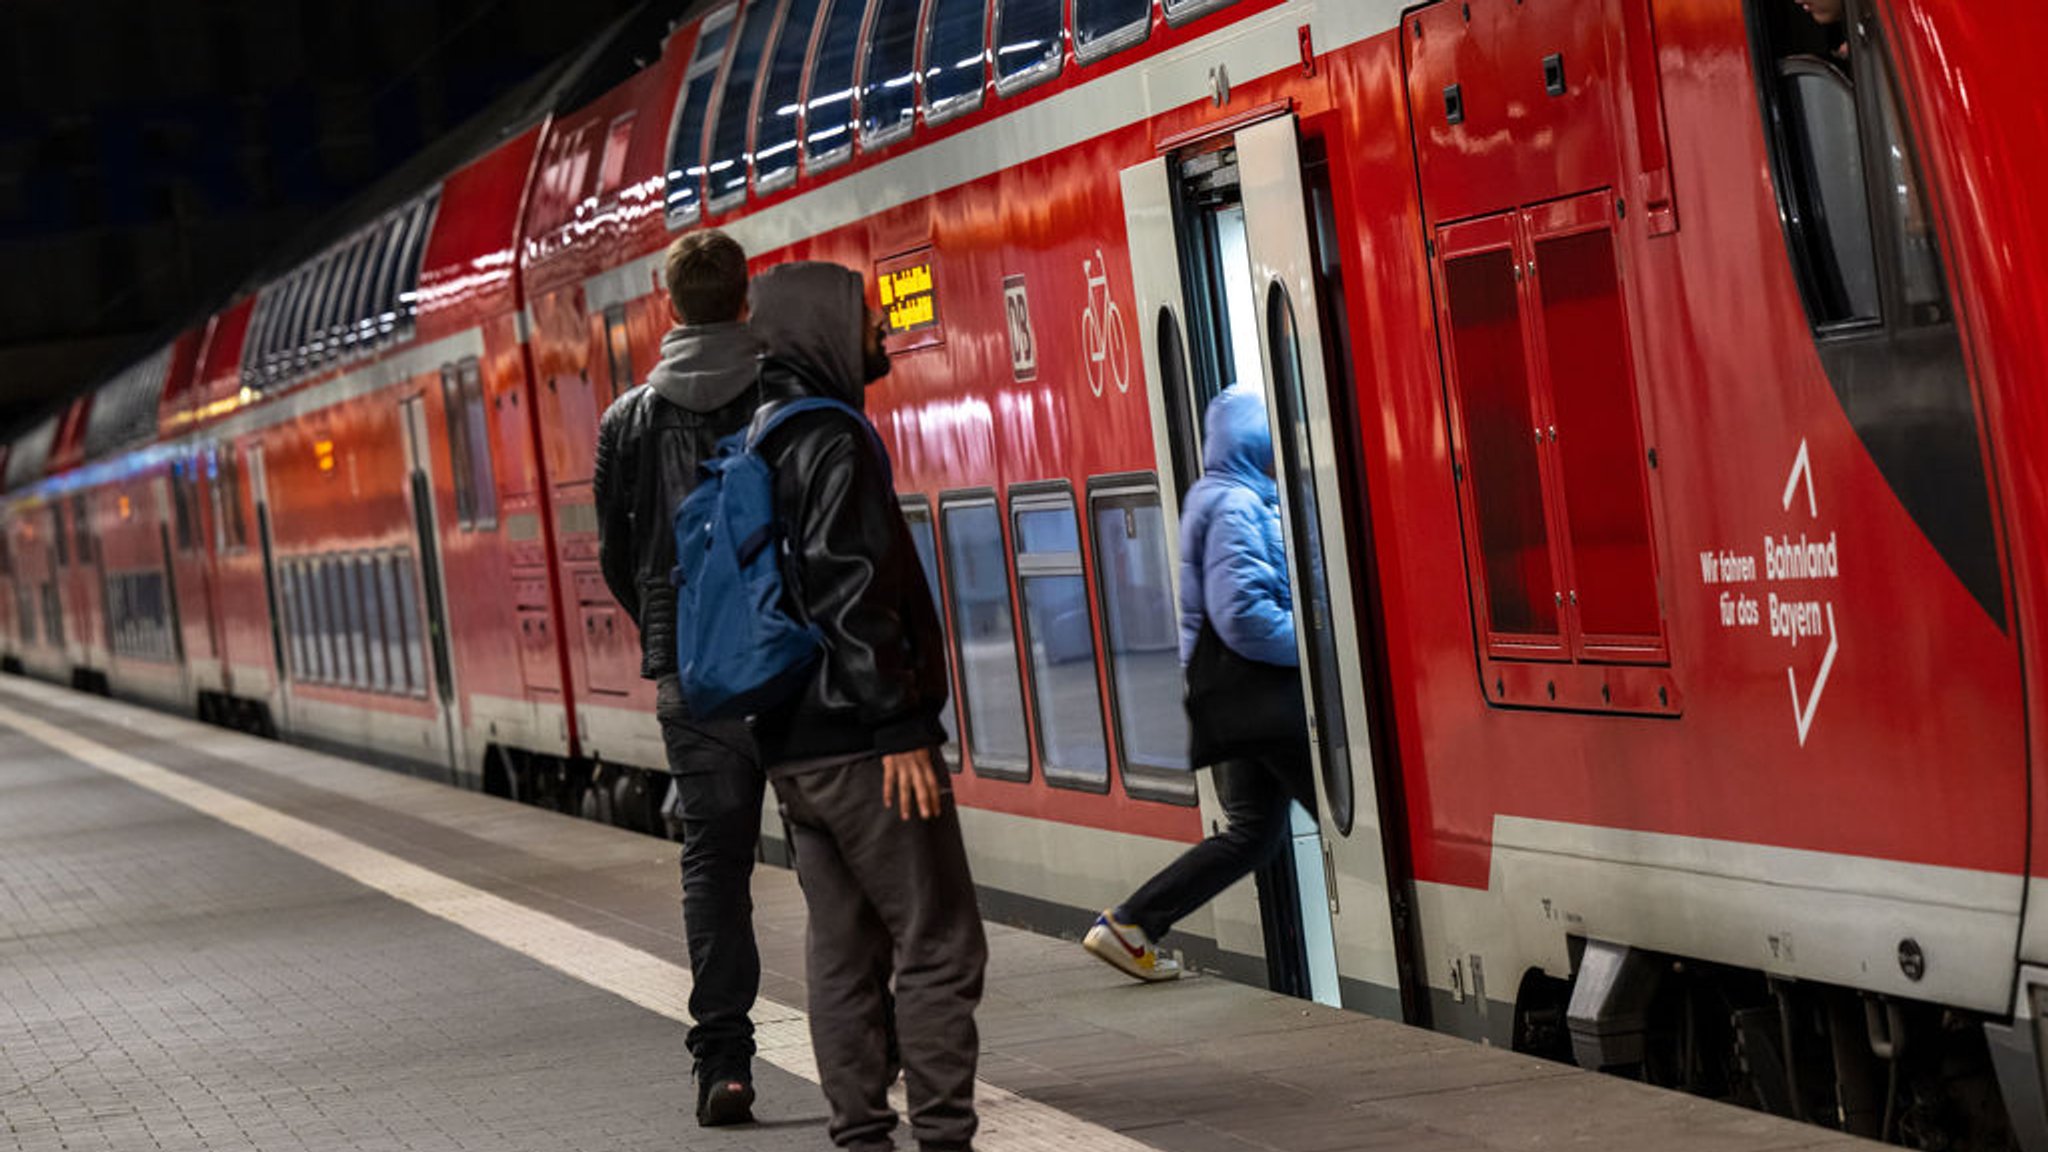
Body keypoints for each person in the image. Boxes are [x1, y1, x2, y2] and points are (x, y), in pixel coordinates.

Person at [746, 261, 987, 1152]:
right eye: (865, 319)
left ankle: (860, 1139)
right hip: (860, 740)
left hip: (793, 747)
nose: (881, 333)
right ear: (818, 330)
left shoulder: (758, 434)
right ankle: (946, 1138)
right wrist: (900, 728)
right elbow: (852, 594)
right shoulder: (831, 441)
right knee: (940, 944)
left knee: (842, 953)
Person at [592, 229, 766, 1127]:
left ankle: (724, 1067)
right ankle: (873, 1037)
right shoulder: (791, 391)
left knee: (714, 863)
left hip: (693, 679)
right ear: (746, 298)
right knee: (834, 856)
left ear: (671, 308)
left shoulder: (628, 420)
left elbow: (618, 557)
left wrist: (671, 631)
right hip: (796, 668)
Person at [1083, 384, 1316, 983]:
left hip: (1239, 704)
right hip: (1264, 697)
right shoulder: (1238, 504)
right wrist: (1317, 646)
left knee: (1252, 836)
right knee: (1352, 811)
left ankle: (1131, 925)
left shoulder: (1222, 496)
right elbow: (1241, 615)